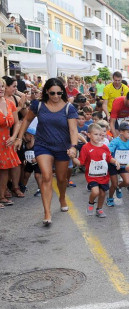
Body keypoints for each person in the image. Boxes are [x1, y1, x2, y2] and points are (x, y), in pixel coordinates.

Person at [16, 78, 79, 225]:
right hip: (43, 146)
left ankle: (62, 197)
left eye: (59, 93)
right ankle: (47, 212)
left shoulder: (69, 108)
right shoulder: (38, 105)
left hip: (63, 147)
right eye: (52, 93)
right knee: (46, 176)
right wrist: (19, 138)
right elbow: (26, 120)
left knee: (62, 179)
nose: (56, 96)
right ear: (46, 92)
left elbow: (73, 129)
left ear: (62, 92)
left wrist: (73, 146)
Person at [72, 123, 119, 218]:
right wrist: (73, 158)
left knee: (102, 193)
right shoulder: (86, 148)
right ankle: (91, 203)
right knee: (95, 192)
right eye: (95, 134)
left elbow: (109, 158)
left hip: (104, 175)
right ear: (89, 135)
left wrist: (115, 161)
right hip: (92, 176)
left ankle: (99, 209)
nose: (98, 137)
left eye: (100, 135)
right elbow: (80, 162)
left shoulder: (104, 147)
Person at [106, 121, 129, 207]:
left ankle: (119, 187)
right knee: (113, 184)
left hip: (124, 166)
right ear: (121, 132)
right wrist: (114, 161)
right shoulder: (115, 142)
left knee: (128, 182)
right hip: (114, 165)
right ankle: (110, 198)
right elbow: (108, 153)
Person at [0, 79, 21, 207]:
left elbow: (17, 122)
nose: (1, 88)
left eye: (2, 86)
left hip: (6, 142)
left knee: (4, 170)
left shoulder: (10, 103)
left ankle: (2, 197)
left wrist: (14, 137)